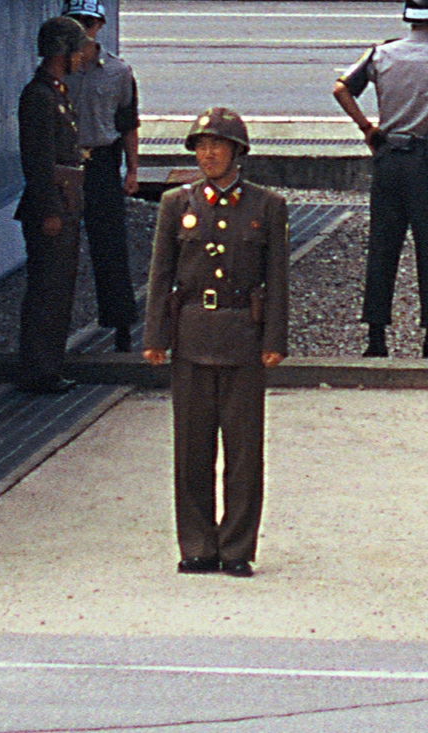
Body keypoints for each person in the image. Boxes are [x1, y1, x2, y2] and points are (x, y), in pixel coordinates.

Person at [142, 109, 288, 579]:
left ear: (238, 152)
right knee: (192, 448)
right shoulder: (176, 203)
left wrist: (274, 338)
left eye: (218, 146)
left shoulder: (265, 206)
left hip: (243, 335)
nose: (208, 154)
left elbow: (277, 279)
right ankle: (198, 544)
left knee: (244, 451)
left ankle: (237, 546)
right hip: (191, 334)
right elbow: (161, 275)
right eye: (201, 146)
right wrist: (155, 337)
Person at [333, 0, 428, 360]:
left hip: (389, 155)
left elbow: (341, 88)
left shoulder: (381, 53)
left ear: (407, 18)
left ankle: (376, 337)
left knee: (382, 247)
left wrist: (366, 127)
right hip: (427, 160)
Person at [60, 0, 141, 353]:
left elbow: (128, 123)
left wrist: (132, 171)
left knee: (110, 247)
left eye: (88, 23)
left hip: (103, 161)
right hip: (66, 163)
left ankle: (121, 324)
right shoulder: (58, 71)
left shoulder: (119, 72)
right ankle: (57, 330)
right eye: (77, 23)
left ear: (100, 26)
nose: (84, 30)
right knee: (60, 247)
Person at [14, 15, 89, 394]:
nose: (80, 58)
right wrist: (50, 211)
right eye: (76, 51)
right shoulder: (40, 97)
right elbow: (38, 162)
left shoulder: (55, 93)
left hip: (65, 201)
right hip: (53, 206)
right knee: (47, 290)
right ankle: (39, 368)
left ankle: (50, 364)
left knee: (59, 289)